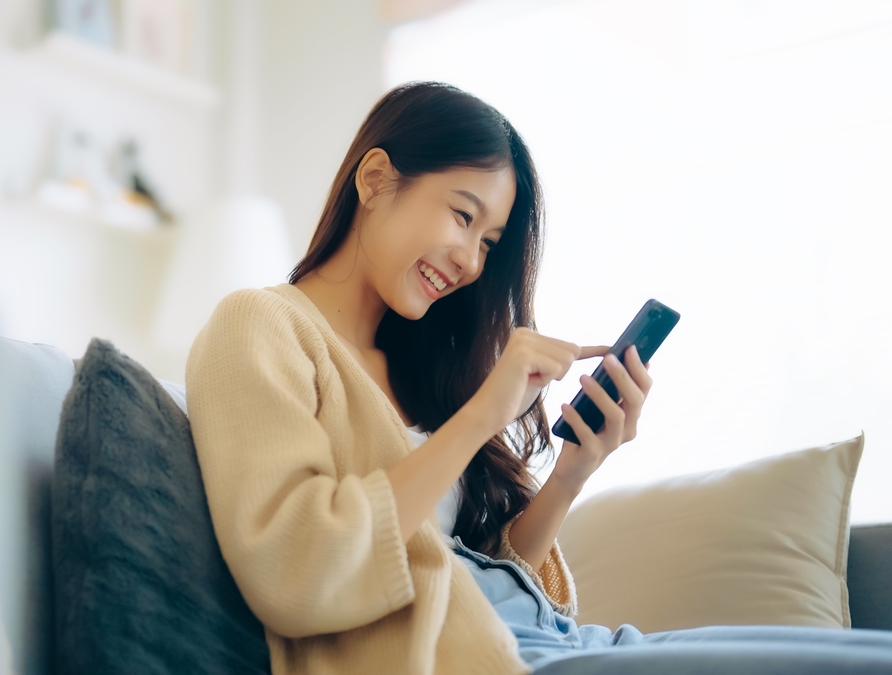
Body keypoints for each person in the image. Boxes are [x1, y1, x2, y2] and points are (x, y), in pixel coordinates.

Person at [184, 81, 892, 675]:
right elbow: (298, 570)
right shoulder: (259, 325)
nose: (470, 262)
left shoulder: (418, 367)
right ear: (375, 179)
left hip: (556, 640)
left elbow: (474, 571)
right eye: (463, 215)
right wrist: (480, 418)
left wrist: (571, 474)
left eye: (488, 243)